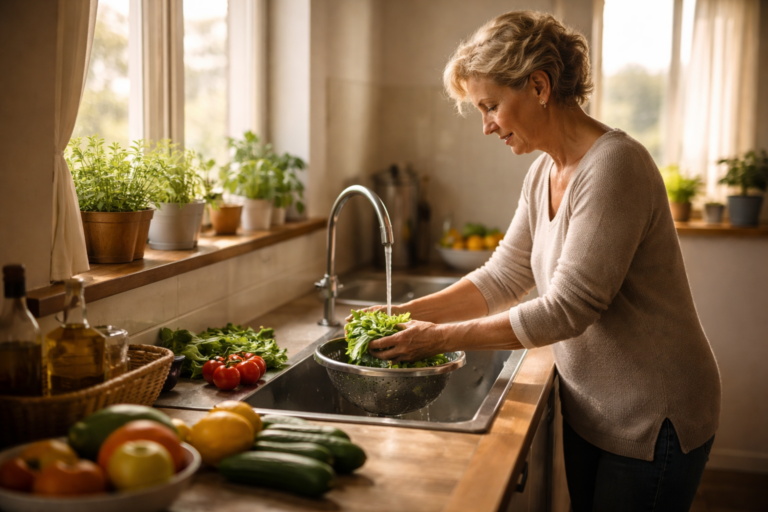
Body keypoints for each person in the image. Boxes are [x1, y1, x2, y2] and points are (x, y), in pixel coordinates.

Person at [357, 10, 721, 512]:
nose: (486, 127)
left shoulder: (615, 166)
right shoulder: (544, 172)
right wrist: (404, 316)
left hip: (653, 417)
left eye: (491, 106)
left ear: (539, 86)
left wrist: (436, 338)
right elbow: (504, 275)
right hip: (595, 409)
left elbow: (567, 310)